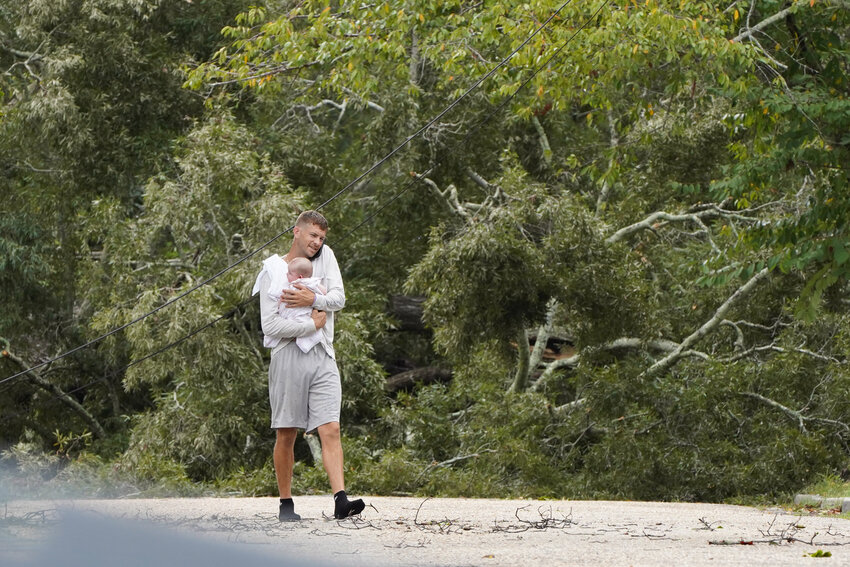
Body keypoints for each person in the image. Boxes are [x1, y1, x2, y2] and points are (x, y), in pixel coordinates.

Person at [251, 210, 366, 522]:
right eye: (313, 235)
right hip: (287, 356)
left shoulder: (326, 257)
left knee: (330, 426)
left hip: (322, 353)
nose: (318, 242)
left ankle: (340, 500)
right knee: (287, 431)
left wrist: (313, 302)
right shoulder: (272, 270)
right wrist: (309, 326)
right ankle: (286, 504)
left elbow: (339, 298)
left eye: (322, 237)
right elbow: (270, 326)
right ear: (296, 232)